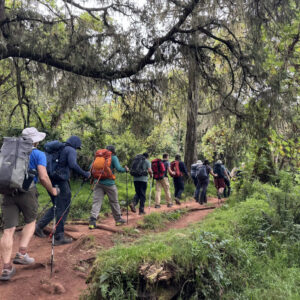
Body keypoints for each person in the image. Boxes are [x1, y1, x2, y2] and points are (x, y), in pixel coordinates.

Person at [0, 127, 59, 281]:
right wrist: (53, 191)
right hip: (27, 192)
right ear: (36, 141)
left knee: (8, 231)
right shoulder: (38, 154)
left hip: (7, 192)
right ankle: (22, 253)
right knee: (31, 221)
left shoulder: (9, 151)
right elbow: (43, 177)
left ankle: (6, 268)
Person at [35, 136, 90, 245]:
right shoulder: (70, 150)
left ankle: (39, 226)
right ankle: (59, 236)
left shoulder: (59, 149)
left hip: (50, 180)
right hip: (60, 181)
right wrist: (85, 174)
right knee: (64, 206)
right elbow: (72, 164)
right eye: (77, 147)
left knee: (57, 204)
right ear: (75, 144)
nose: (77, 149)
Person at [88, 145, 129, 229]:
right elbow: (119, 169)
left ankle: (92, 221)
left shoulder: (98, 157)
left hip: (98, 182)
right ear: (113, 151)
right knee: (114, 201)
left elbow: (90, 168)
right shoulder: (113, 157)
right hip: (109, 183)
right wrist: (125, 169)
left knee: (97, 202)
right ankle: (118, 220)